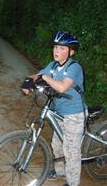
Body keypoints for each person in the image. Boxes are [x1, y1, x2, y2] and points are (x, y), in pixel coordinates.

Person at [21, 31, 87, 186]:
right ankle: (60, 172)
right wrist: (28, 81)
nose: (56, 51)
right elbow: (38, 74)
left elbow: (62, 87)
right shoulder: (53, 65)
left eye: (62, 48)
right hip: (59, 112)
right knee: (56, 145)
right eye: (56, 47)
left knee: (71, 151)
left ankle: (72, 183)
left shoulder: (74, 67)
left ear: (71, 52)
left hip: (74, 115)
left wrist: (44, 78)